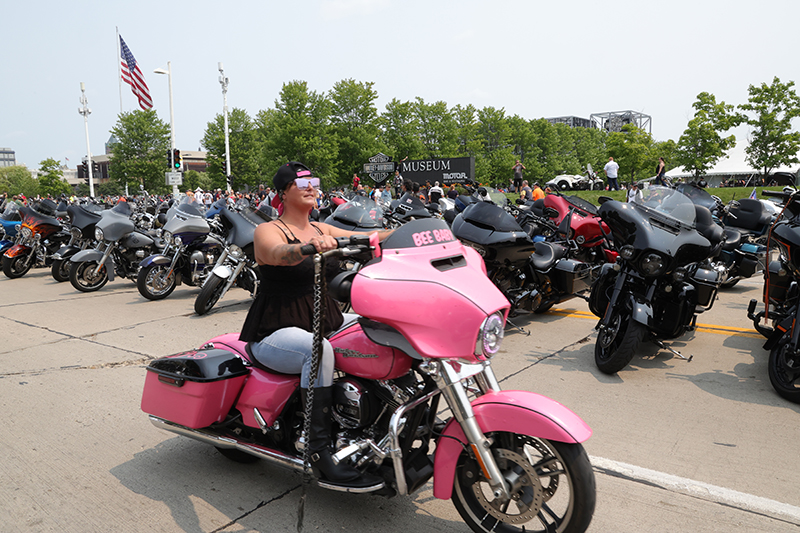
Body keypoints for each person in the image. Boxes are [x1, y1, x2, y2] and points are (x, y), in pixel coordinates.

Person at [240, 162, 391, 489]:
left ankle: (379, 422)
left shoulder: (323, 228)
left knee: (379, 329)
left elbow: (369, 237)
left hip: (324, 319)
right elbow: (279, 253)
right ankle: (318, 449)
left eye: (314, 182)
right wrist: (305, 249)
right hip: (275, 330)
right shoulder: (269, 230)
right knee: (319, 351)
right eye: (302, 183)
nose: (311, 187)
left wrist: (426, 232)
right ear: (283, 191)